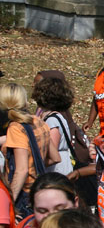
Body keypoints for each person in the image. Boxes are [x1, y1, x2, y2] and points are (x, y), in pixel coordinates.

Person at [0, 83, 59, 217]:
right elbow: (55, 158)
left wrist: (9, 203)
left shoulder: (16, 128)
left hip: (23, 195)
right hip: (39, 190)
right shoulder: (38, 121)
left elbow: (22, 170)